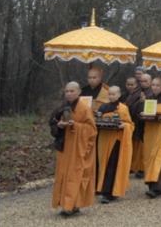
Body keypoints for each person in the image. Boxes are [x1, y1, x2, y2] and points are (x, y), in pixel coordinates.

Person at [49, 81, 97, 217]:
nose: (69, 94)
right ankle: (66, 204)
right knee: (63, 175)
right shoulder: (61, 107)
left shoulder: (84, 109)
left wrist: (76, 125)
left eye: (72, 91)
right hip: (64, 147)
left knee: (75, 176)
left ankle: (72, 206)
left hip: (78, 149)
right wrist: (59, 126)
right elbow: (52, 124)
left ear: (79, 92)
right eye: (67, 91)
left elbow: (92, 130)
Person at [95, 85, 134, 203]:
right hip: (104, 140)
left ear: (119, 95)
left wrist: (124, 125)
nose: (111, 96)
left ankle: (109, 193)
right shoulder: (103, 107)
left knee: (112, 165)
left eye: (113, 94)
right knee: (103, 165)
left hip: (116, 140)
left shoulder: (123, 108)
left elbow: (130, 124)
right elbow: (97, 120)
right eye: (109, 94)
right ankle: (104, 190)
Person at [132, 73, 153, 178]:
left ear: (150, 82)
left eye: (146, 81)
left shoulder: (152, 93)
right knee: (140, 147)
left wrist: (143, 102)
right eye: (141, 81)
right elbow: (132, 106)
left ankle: (145, 168)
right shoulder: (138, 92)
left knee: (146, 147)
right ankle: (139, 167)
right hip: (138, 123)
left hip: (147, 123)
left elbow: (151, 108)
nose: (143, 83)